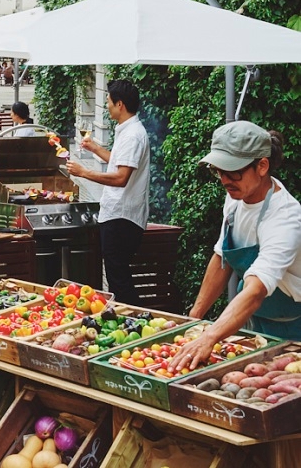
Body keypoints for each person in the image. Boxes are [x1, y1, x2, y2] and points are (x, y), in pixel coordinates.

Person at [172, 122, 301, 370]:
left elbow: (255, 291)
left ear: (262, 166)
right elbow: (222, 258)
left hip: (293, 328)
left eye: (233, 171)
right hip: (252, 320)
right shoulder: (235, 198)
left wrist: (210, 336)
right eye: (218, 171)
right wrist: (194, 317)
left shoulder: (284, 218)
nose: (224, 180)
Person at [64, 79, 150, 306]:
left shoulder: (132, 135)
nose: (107, 106)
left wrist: (83, 172)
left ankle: (135, 320)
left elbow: (121, 178)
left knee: (118, 277)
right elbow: (120, 163)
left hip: (122, 216)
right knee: (116, 275)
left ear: (120, 104)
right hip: (118, 214)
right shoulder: (128, 131)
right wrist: (95, 149)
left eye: (109, 102)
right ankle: (126, 319)